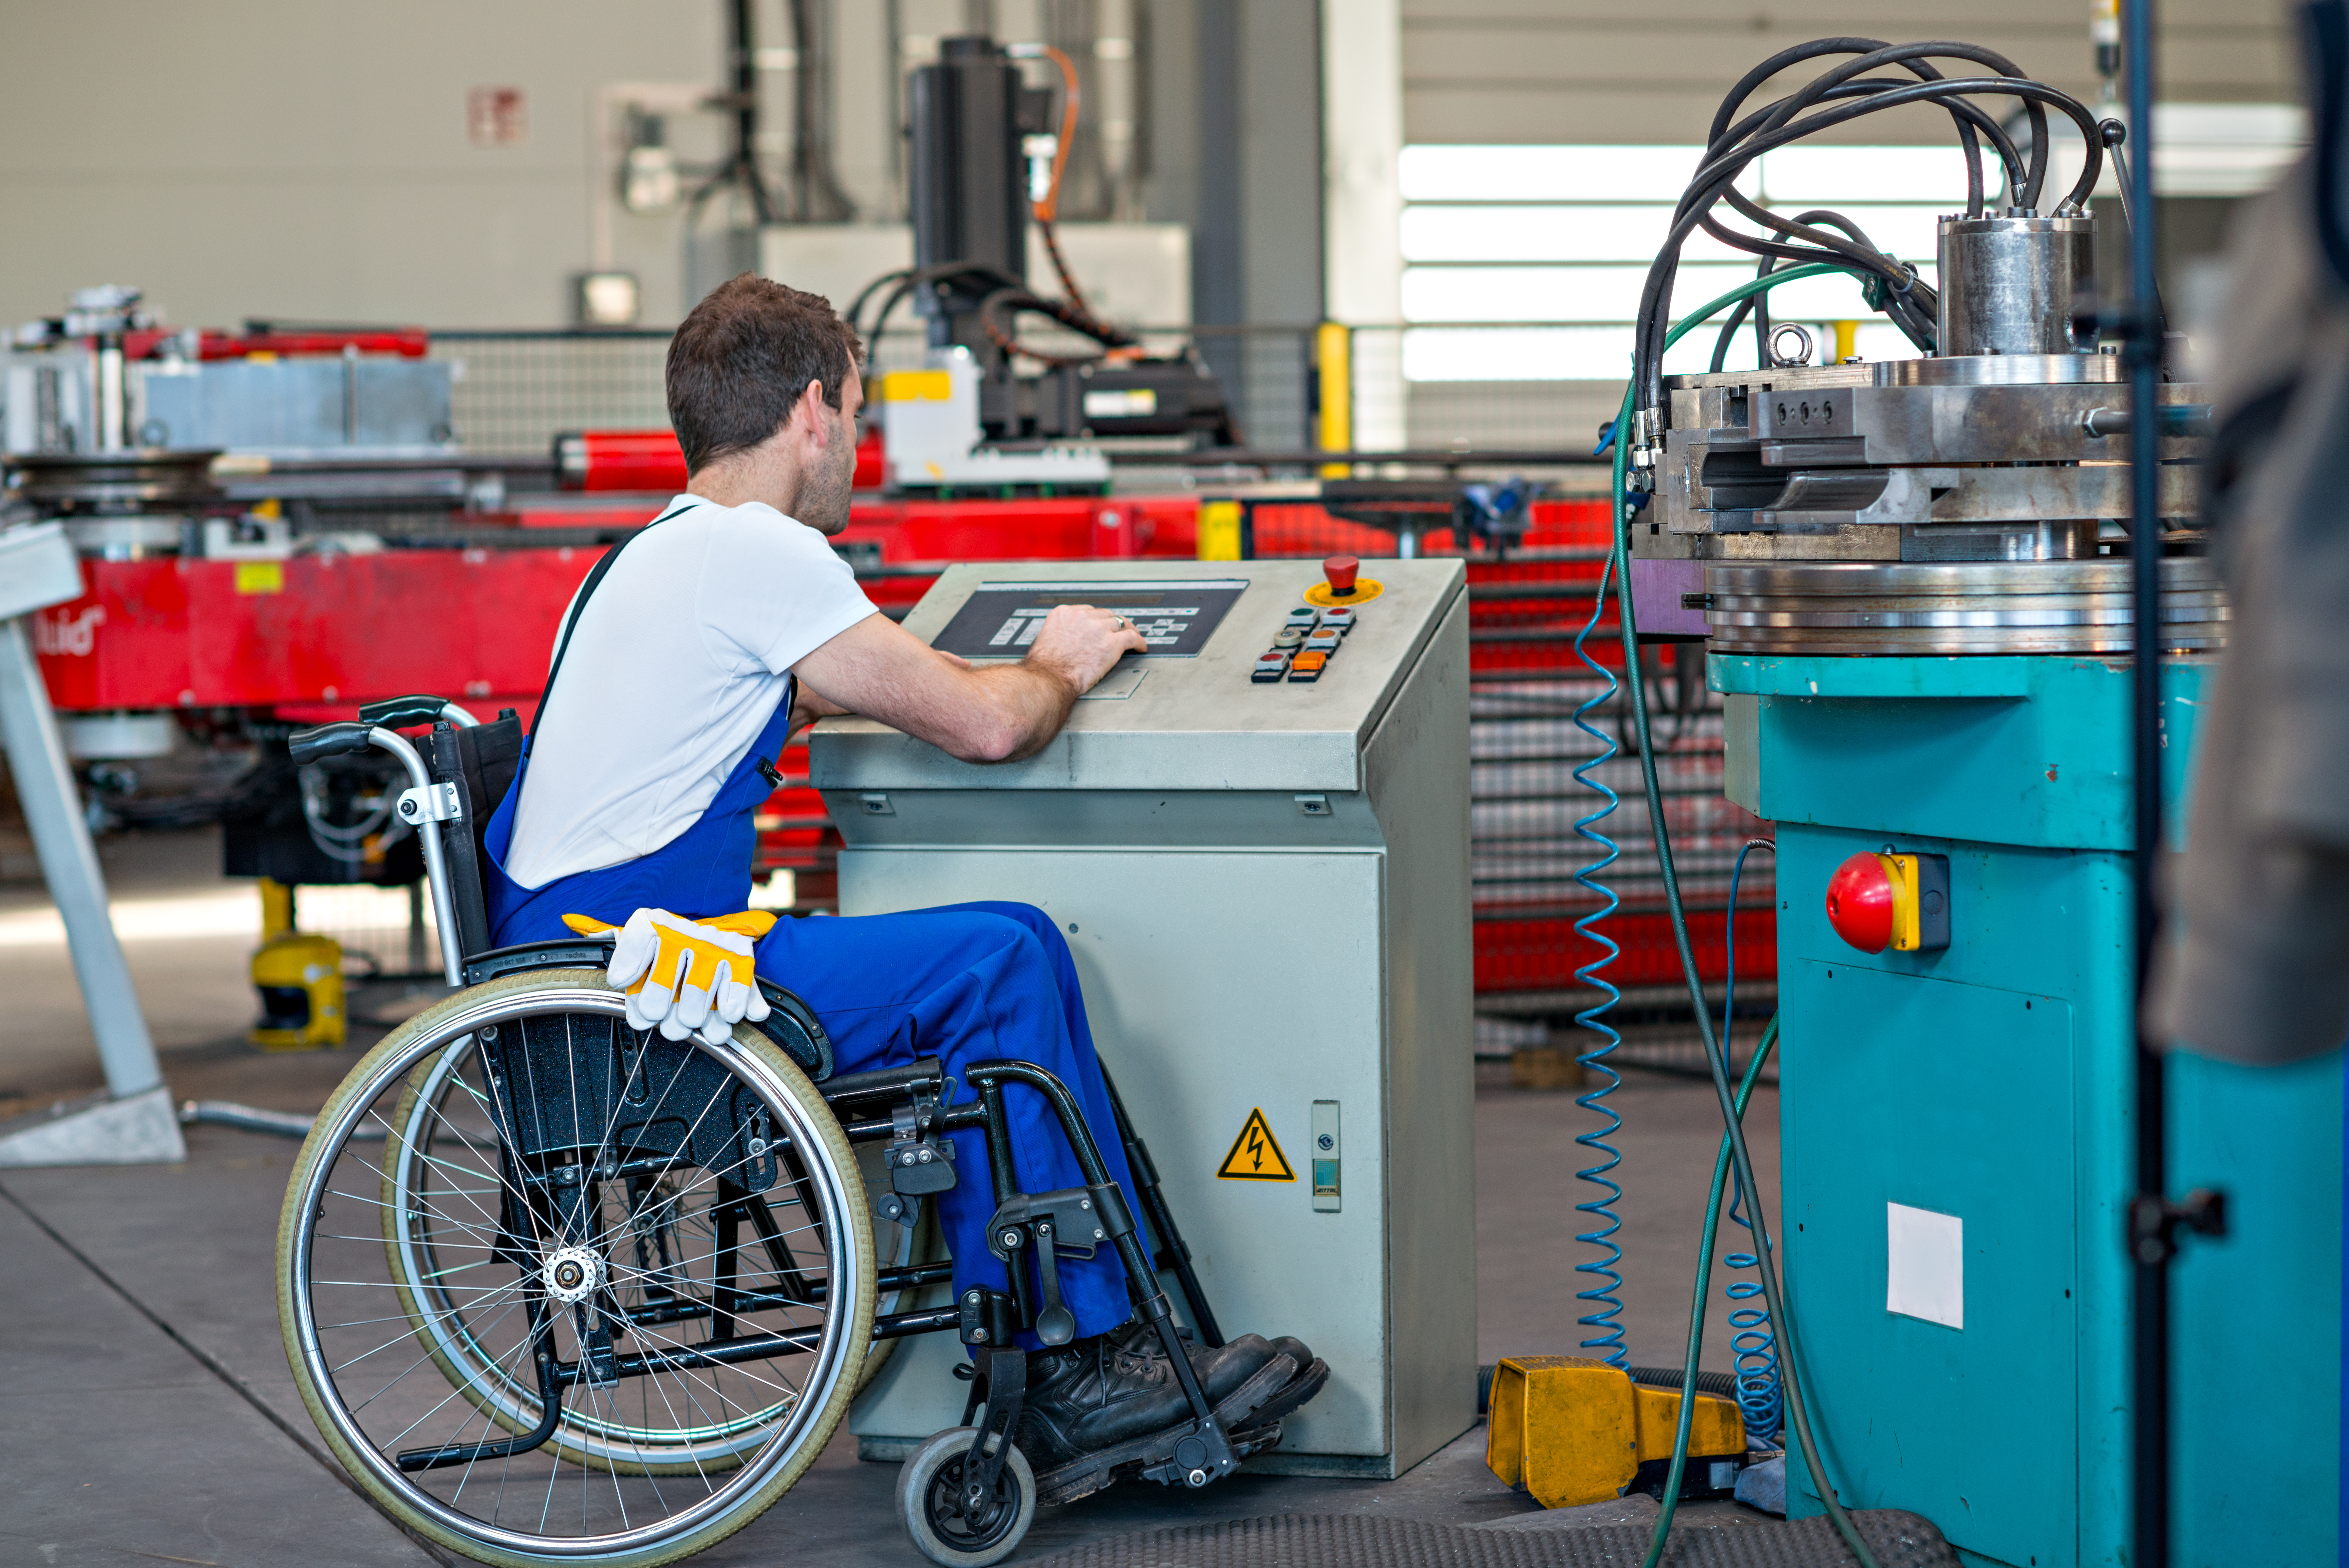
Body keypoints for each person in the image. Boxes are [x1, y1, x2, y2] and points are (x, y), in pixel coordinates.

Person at [478, 273, 1320, 1486]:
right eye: (859, 419)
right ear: (814, 410)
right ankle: (1069, 1356)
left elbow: (781, 687)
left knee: (994, 945)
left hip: (583, 969)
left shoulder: (648, 556)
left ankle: (1084, 1329)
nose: (858, 449)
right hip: (642, 994)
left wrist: (902, 674)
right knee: (1004, 954)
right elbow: (988, 731)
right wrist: (1058, 662)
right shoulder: (761, 549)